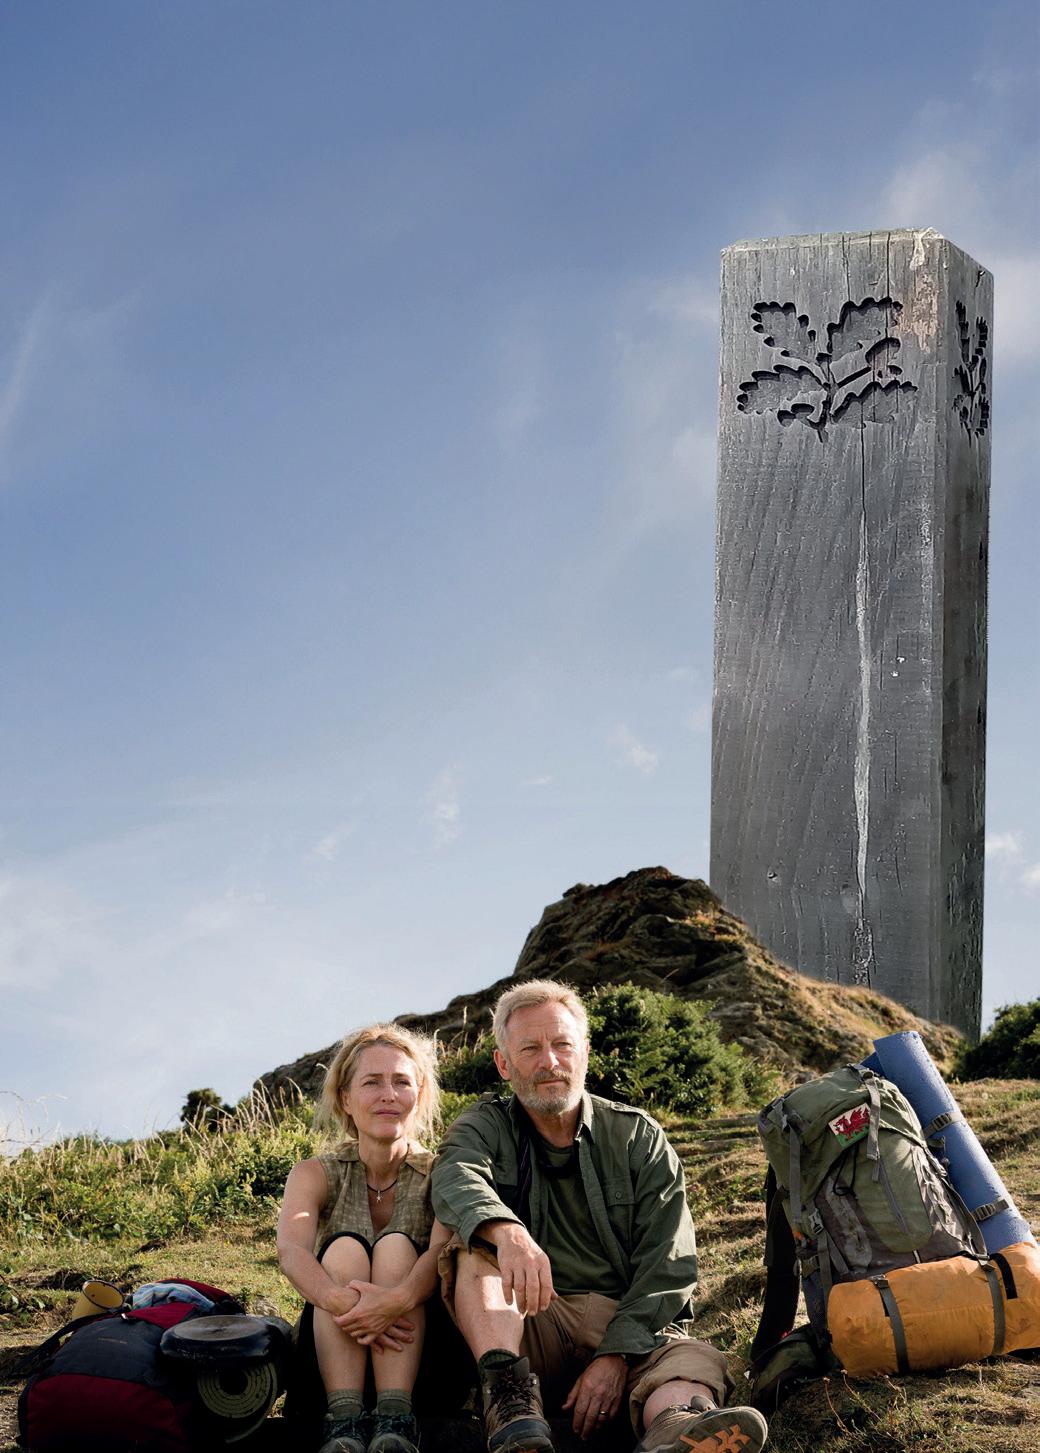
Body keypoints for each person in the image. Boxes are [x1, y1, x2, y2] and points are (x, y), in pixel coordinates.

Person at [431, 980, 769, 1453]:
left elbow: (668, 1265)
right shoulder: (484, 1125)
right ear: (503, 1064)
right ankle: (511, 1405)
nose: (550, 1062)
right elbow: (454, 1174)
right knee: (471, 1250)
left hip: (626, 1326)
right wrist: (506, 1232)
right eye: (530, 1049)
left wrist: (615, 1354)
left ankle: (674, 1430)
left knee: (690, 1363)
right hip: (527, 1322)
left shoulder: (637, 1137)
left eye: (562, 1045)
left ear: (585, 1053)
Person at [277, 1024, 453, 1453]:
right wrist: (343, 1303)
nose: (388, 1095)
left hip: (420, 1359)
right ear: (346, 1098)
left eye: (401, 1082)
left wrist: (395, 1301)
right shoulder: (314, 1172)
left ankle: (396, 1415)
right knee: (343, 1250)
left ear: (419, 1095)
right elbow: (292, 1250)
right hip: (333, 1355)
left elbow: (440, 1251)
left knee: (396, 1249)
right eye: (372, 1082)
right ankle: (344, 1420)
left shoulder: (442, 1172)